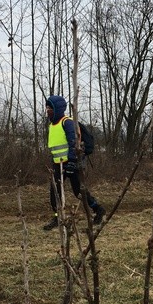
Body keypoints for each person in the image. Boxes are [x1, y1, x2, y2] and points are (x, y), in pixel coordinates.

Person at [42, 95, 106, 230]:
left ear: (57, 109)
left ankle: (98, 209)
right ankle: (57, 217)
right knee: (55, 191)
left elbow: (74, 142)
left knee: (79, 191)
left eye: (50, 107)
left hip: (72, 163)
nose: (47, 110)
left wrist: (71, 162)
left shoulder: (68, 122)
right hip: (58, 164)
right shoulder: (52, 126)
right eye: (47, 107)